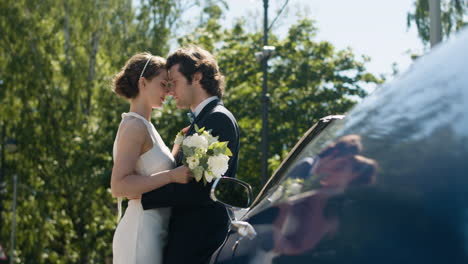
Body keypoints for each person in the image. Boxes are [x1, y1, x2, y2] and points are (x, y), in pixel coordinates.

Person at [141, 46, 241, 264]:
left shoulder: (217, 119)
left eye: (174, 82)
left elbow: (200, 190)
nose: (170, 90)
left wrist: (140, 195)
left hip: (198, 244)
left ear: (196, 77)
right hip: (188, 241)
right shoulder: (202, 121)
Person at [110, 52, 193, 264]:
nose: (168, 91)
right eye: (163, 84)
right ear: (143, 83)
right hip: (139, 233)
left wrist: (179, 145)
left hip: (154, 230)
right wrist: (171, 176)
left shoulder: (146, 126)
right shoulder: (134, 126)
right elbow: (119, 186)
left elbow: (151, 170)